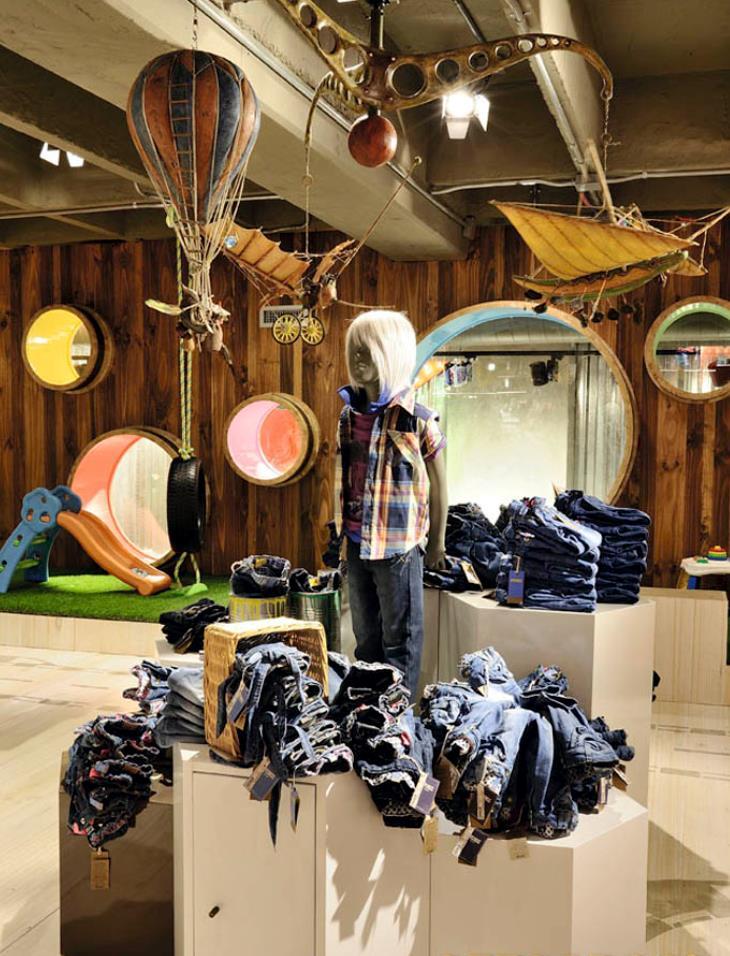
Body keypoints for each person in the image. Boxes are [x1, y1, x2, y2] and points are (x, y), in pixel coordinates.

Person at [334, 309, 448, 696]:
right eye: (354, 350)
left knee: (401, 642)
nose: (358, 358)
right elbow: (343, 476)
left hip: (399, 547)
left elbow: (440, 485)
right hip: (356, 542)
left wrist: (437, 543)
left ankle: (398, 717)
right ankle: (369, 712)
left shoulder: (419, 420)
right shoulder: (348, 417)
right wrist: (337, 531)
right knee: (365, 638)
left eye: (368, 350)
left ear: (391, 353)